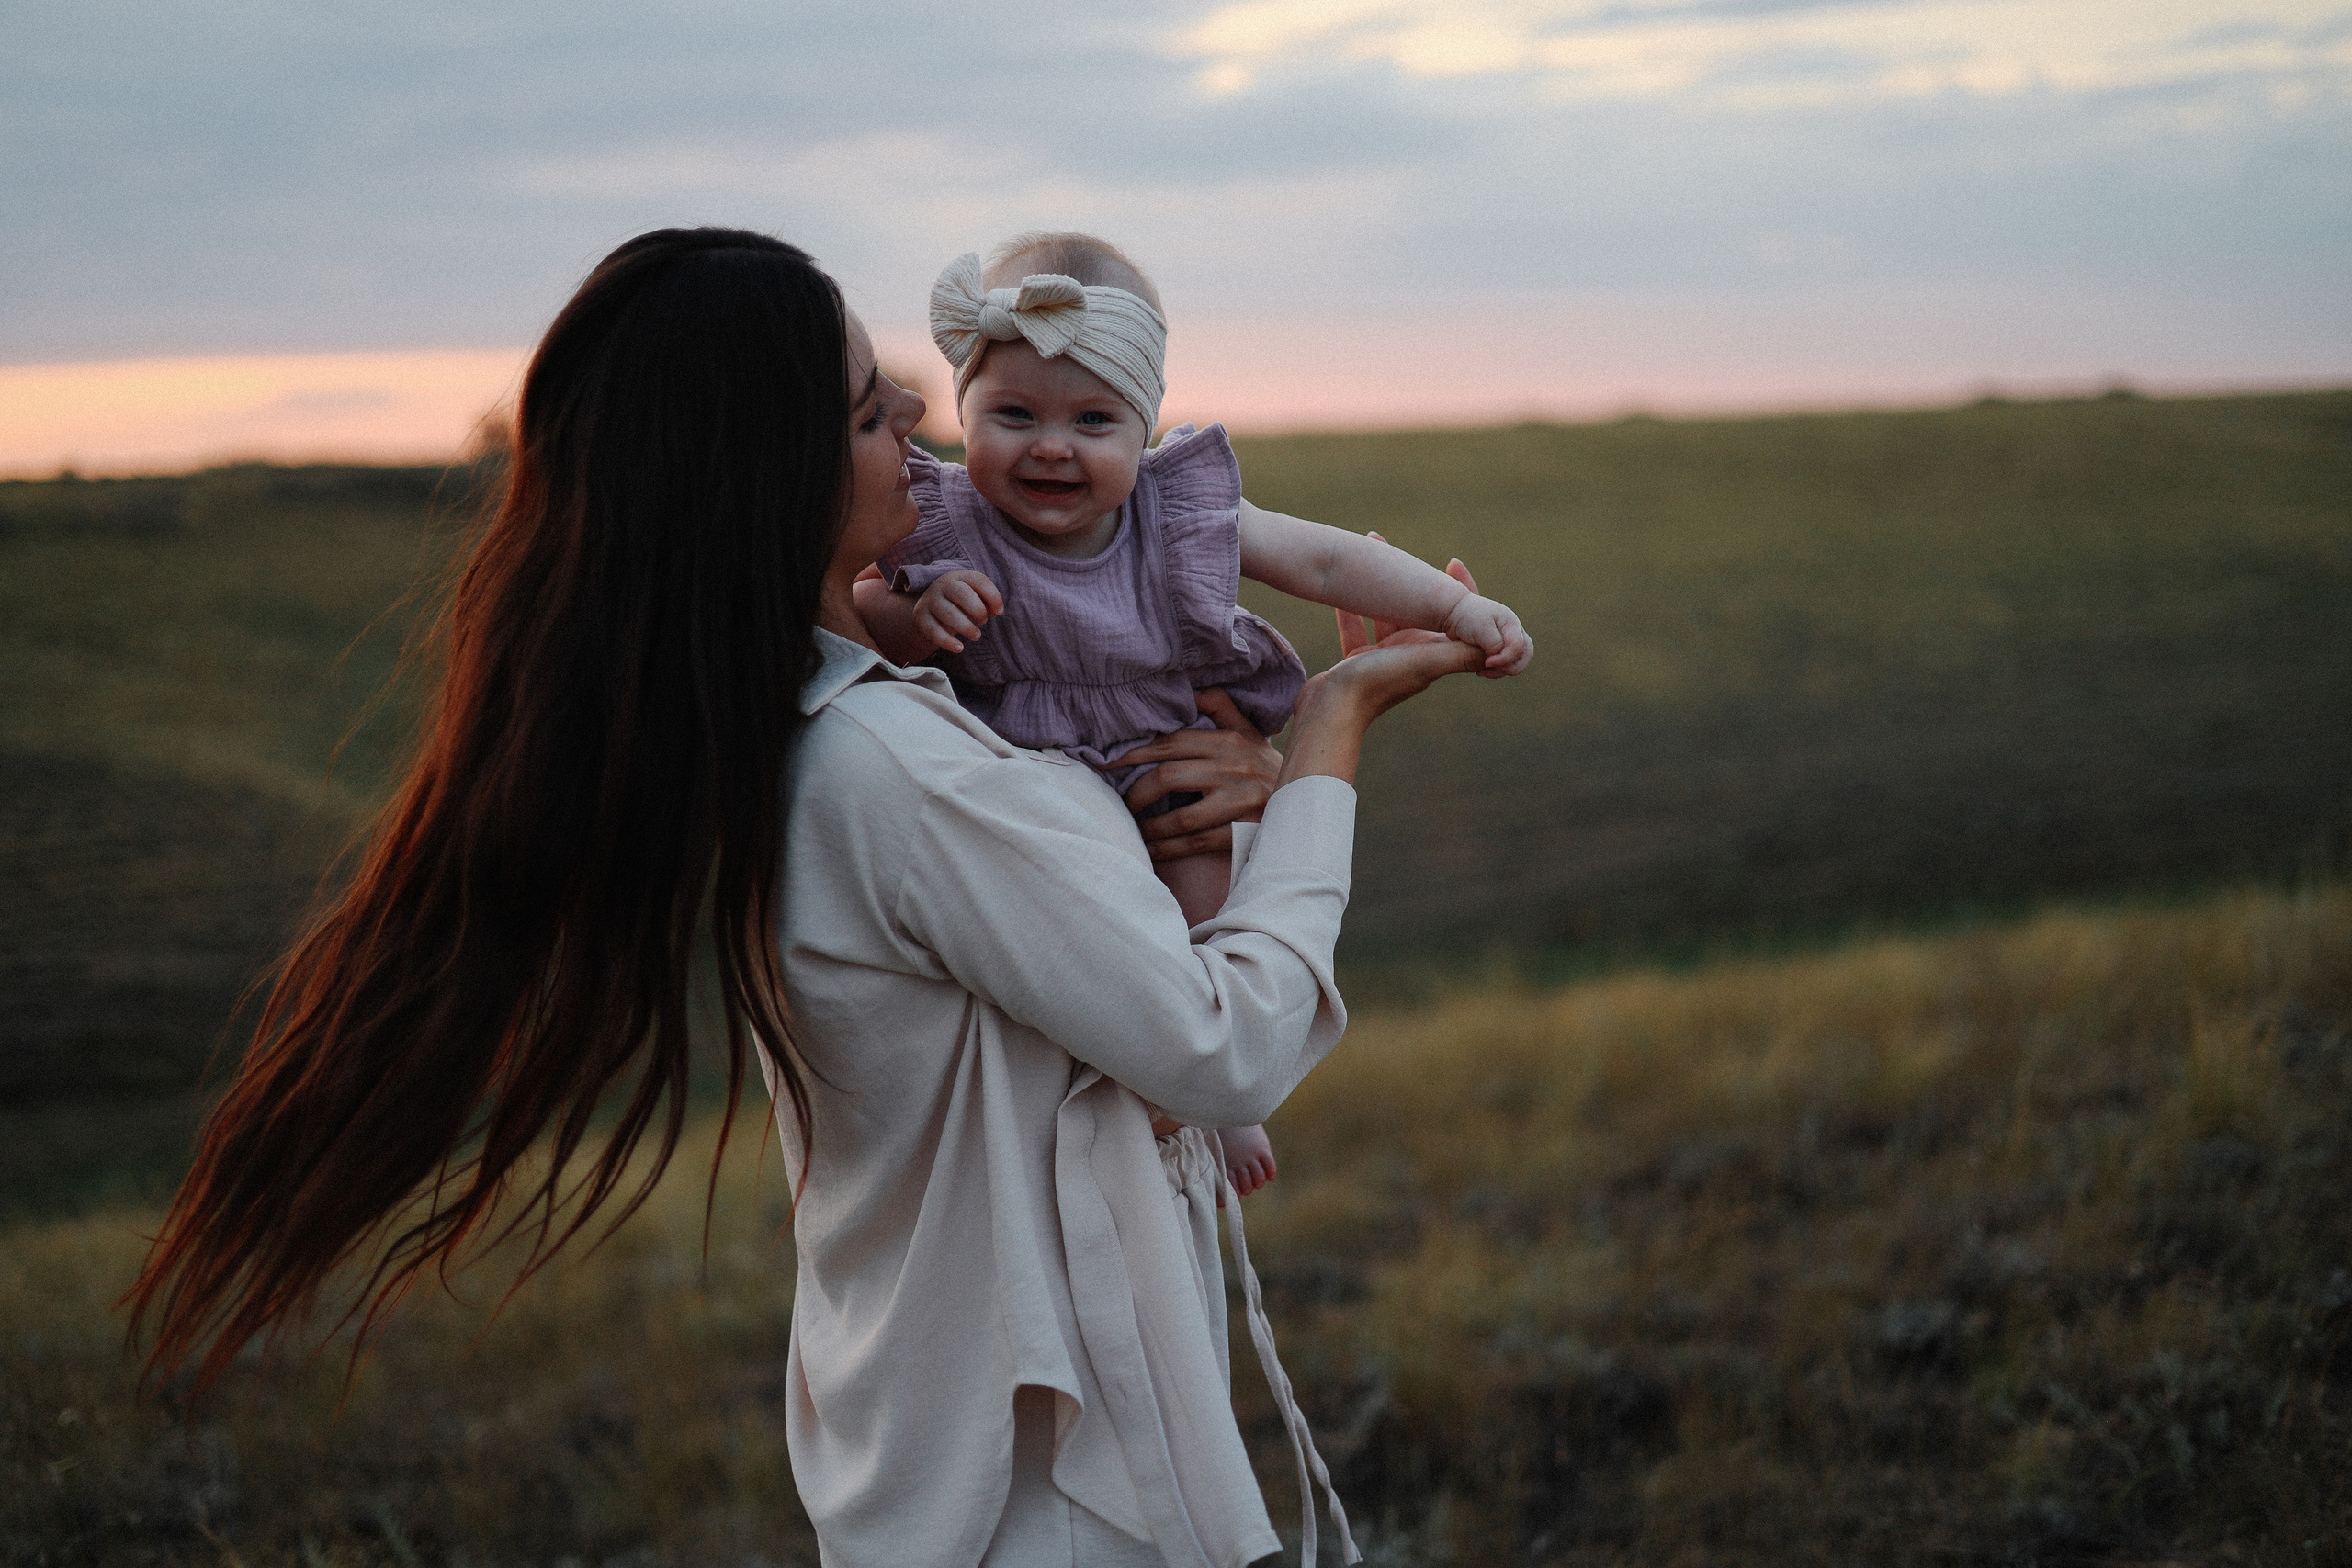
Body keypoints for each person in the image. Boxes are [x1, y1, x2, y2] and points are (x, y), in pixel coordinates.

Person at [126, 227, 1486, 1567]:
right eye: (860, 408)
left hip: (933, 1431)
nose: (908, 410)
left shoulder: (803, 720)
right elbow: (1223, 1044)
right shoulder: (901, 767)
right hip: (1050, 1485)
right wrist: (1328, 728)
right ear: (769, 474)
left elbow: (1064, 833)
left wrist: (1234, 773)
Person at [854, 233, 1534, 1201]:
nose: (1052, 445)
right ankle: (1133, 1066)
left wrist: (1456, 609)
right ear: (961, 415)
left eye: (1093, 420)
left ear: (1145, 427)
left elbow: (1329, 562)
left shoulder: (1173, 516)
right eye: (1013, 413)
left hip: (1155, 746)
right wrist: (915, 614)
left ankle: (1211, 1082)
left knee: (1199, 876)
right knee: (1070, 939)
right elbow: (862, 606)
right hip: (1026, 781)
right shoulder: (945, 521)